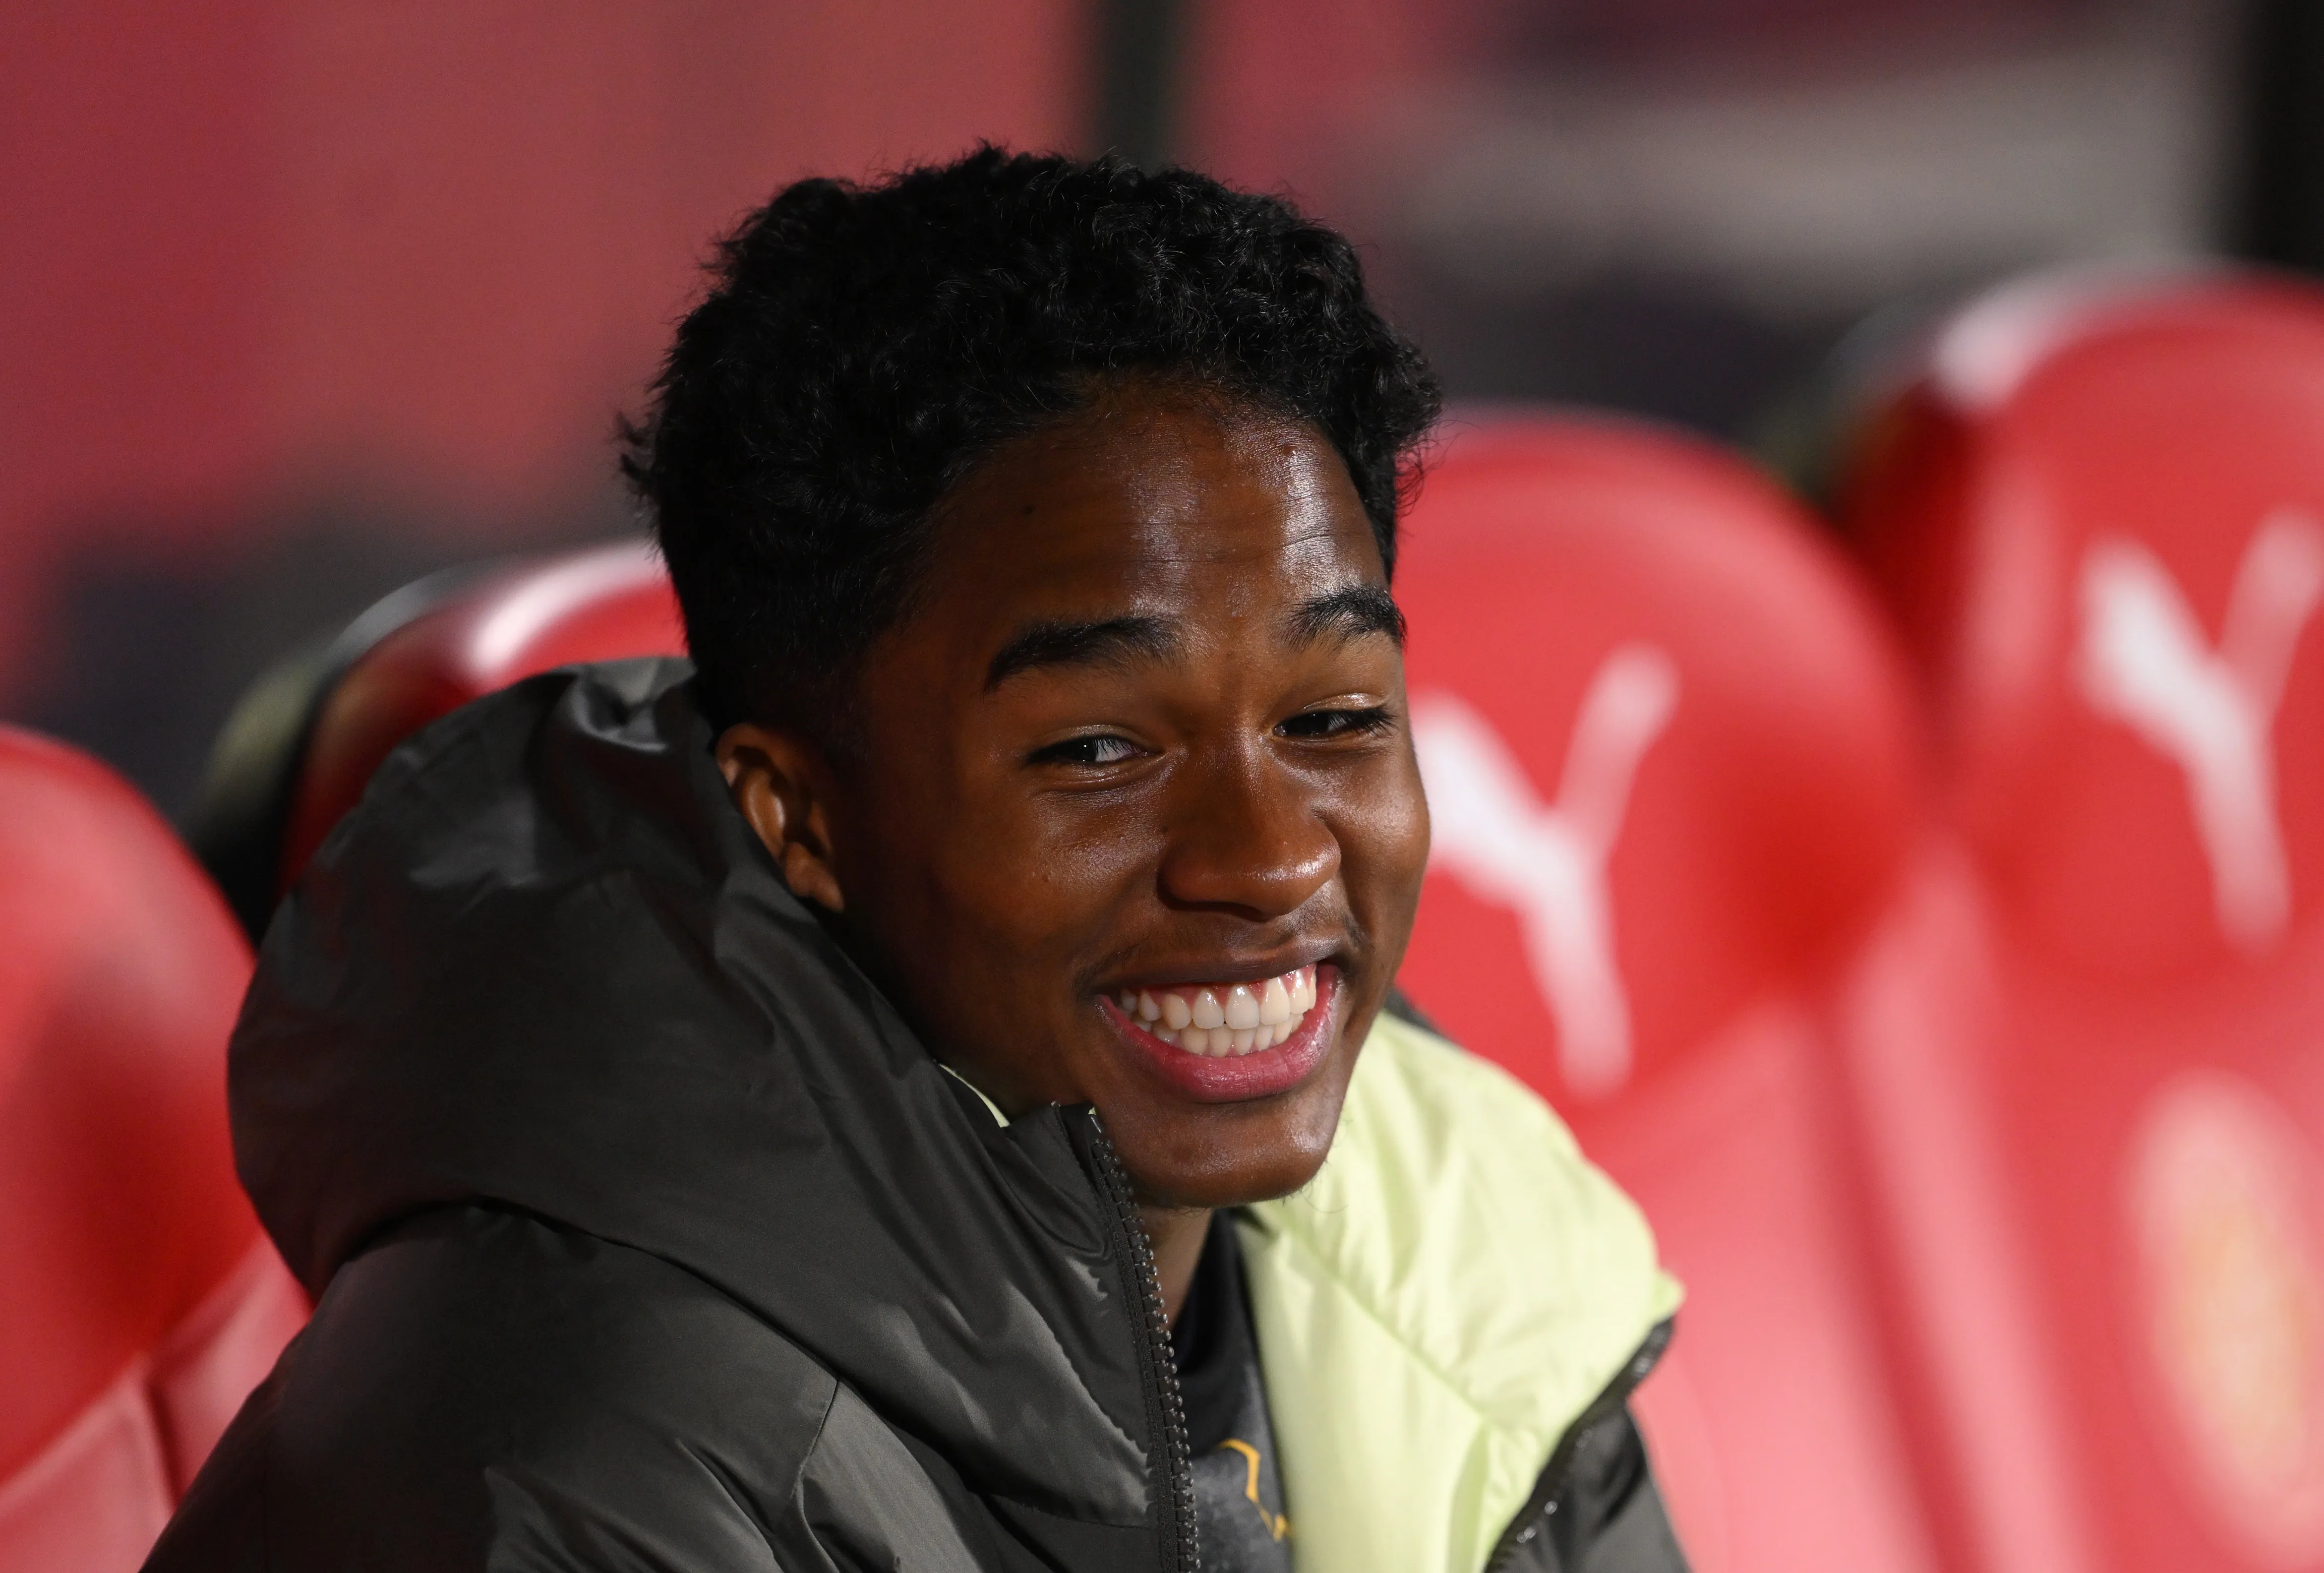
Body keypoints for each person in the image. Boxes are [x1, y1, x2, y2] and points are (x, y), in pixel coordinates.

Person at [147, 149, 1685, 1573]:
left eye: (1333, 718)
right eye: (1100, 750)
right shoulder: (570, 1469)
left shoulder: (1468, 1238)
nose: (1271, 858)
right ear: (798, 818)